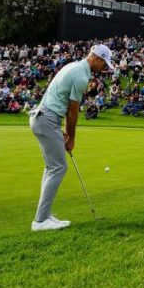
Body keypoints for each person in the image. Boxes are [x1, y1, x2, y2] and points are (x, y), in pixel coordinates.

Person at [29, 44, 114, 231]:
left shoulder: (74, 66)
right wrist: (71, 137)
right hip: (47, 119)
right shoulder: (81, 75)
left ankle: (44, 215)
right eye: (104, 64)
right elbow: (72, 111)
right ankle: (40, 221)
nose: (104, 68)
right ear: (96, 58)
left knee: (52, 168)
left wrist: (65, 133)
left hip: (44, 118)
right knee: (58, 167)